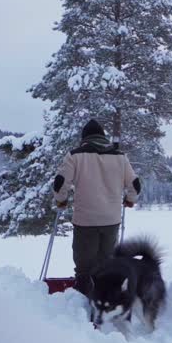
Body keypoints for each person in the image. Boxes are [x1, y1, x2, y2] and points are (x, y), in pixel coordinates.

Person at [53, 119, 140, 288]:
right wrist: (130, 200)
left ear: (84, 138)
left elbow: (60, 183)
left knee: (84, 264)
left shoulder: (75, 155)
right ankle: (105, 294)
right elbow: (135, 184)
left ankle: (84, 292)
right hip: (111, 220)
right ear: (103, 137)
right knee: (107, 262)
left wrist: (61, 200)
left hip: (85, 220)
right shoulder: (120, 157)